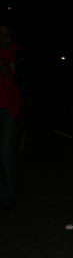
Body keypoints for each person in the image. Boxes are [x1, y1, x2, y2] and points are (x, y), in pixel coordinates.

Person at [0, 24, 27, 211]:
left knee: (5, 152)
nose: (3, 39)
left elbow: (28, 82)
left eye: (7, 35)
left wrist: (11, 73)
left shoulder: (19, 55)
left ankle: (7, 198)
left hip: (11, 110)